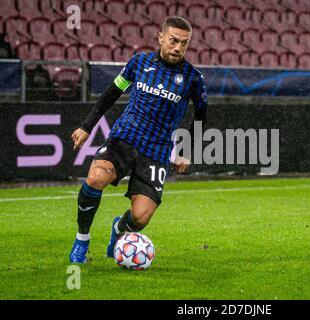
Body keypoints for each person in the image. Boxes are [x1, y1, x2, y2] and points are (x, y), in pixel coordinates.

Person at [69, 16, 207, 263]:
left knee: (141, 217)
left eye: (184, 44)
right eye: (174, 41)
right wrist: (86, 126)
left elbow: (201, 115)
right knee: (96, 177)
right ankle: (82, 240)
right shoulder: (139, 62)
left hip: (157, 151)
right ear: (161, 37)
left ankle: (119, 230)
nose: (178, 48)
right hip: (124, 138)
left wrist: (187, 151)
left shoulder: (193, 78)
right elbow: (111, 94)